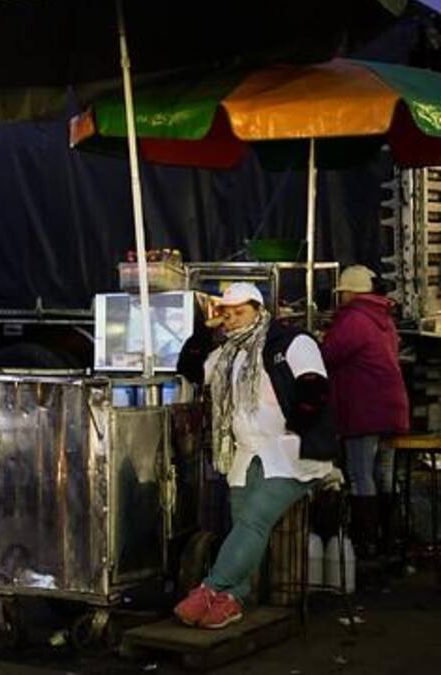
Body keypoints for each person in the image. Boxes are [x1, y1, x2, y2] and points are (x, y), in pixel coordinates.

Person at [174, 282, 338, 629]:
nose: (233, 319)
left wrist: (298, 426)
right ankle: (234, 597)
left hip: (292, 453)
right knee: (244, 524)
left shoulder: (292, 341)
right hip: (246, 453)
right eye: (227, 314)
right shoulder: (228, 352)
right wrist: (204, 331)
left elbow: (314, 386)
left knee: (253, 520)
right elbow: (191, 369)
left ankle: (209, 588)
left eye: (240, 312)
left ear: (258, 310)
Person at [321, 264, 409, 558]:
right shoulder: (383, 317)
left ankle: (365, 543)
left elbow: (328, 354)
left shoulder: (353, 318)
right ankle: (390, 540)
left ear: (349, 292)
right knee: (385, 473)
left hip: (365, 407)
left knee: (361, 474)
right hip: (391, 407)